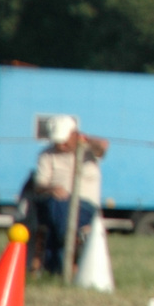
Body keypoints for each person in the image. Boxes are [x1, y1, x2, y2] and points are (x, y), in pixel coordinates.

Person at [30, 116, 109, 276]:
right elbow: (39, 185)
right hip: (55, 203)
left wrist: (86, 140)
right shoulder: (46, 154)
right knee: (56, 207)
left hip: (85, 204)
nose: (61, 145)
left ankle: (56, 267)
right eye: (58, 142)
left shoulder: (88, 150)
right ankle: (66, 255)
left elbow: (103, 147)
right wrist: (52, 189)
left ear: (74, 135)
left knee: (57, 220)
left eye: (65, 141)